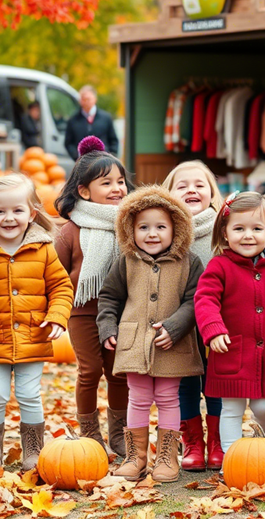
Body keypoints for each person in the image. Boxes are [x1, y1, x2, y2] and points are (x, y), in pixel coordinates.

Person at [0, 173, 73, 474]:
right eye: (0, 211)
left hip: (34, 334)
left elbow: (60, 287)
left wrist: (58, 316)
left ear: (32, 212)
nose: (9, 218)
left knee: (30, 393)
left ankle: (34, 447)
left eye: (17, 210)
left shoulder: (43, 249)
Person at [97, 185, 204, 482]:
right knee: (139, 397)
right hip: (134, 343)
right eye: (143, 227)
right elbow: (109, 298)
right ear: (130, 231)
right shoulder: (127, 262)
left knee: (169, 397)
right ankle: (136, 457)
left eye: (160, 227)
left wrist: (177, 326)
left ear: (176, 229)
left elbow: (195, 299)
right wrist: (107, 327)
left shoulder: (189, 262)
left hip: (173, 343)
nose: (152, 234)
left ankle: (167, 457)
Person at [194, 192, 265, 457]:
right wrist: (213, 329)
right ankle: (231, 457)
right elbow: (205, 299)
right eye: (239, 229)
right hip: (231, 351)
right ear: (225, 233)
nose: (248, 236)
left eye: (257, 228)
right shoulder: (219, 266)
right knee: (230, 409)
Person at [54, 136, 133, 456]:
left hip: (120, 313)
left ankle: (119, 432)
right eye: (106, 183)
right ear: (84, 191)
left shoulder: (131, 225)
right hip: (83, 312)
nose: (117, 188)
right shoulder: (71, 231)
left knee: (119, 372)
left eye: (121, 181)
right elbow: (55, 275)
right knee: (90, 371)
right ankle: (89, 432)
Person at [162, 161, 225, 471]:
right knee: (185, 381)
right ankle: (193, 442)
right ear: (168, 194)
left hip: (218, 320)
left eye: (200, 185)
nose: (191, 189)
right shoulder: (164, 231)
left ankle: (217, 441)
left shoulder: (224, 229)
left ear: (212, 193)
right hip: (179, 320)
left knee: (216, 381)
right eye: (182, 185)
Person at [65, 85, 120, 159]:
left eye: (88, 99)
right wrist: (76, 156)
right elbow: (68, 143)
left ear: (95, 99)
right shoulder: (73, 120)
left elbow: (114, 141)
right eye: (83, 99)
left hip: (103, 162)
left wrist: (110, 157)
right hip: (82, 163)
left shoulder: (106, 118)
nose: (86, 102)